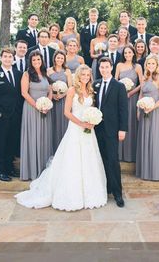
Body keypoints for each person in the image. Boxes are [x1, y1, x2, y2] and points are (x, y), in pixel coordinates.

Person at [15, 65, 107, 211]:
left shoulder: (90, 90)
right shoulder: (72, 90)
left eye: (87, 75)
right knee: (73, 160)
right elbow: (67, 112)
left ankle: (89, 193)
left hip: (89, 131)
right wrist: (82, 123)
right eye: (82, 75)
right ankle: (71, 195)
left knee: (89, 159)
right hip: (76, 129)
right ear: (78, 75)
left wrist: (92, 121)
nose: (85, 77)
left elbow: (91, 110)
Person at [94, 57, 128, 207]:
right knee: (101, 159)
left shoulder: (119, 86)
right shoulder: (95, 84)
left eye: (107, 67)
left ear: (111, 68)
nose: (104, 70)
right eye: (102, 67)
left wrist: (122, 129)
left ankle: (118, 194)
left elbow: (123, 110)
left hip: (113, 130)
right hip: (97, 129)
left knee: (113, 160)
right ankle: (105, 188)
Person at [0, 48, 23, 181]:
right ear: (1, 58)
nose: (8, 59)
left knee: (12, 143)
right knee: (1, 144)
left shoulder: (19, 74)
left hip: (16, 115)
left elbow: (20, 94)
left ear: (13, 59)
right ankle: (0, 171)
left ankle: (9, 168)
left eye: (10, 57)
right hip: (3, 116)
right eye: (5, 56)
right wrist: (0, 113)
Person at [20, 50, 54, 181]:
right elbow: (24, 93)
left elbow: (50, 91)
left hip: (45, 109)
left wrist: (48, 104)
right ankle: (32, 170)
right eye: (34, 60)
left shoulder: (45, 74)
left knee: (44, 137)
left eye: (38, 60)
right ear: (30, 62)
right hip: (31, 109)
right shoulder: (26, 74)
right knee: (33, 137)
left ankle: (43, 170)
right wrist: (38, 106)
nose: (36, 62)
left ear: (42, 60)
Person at [136, 54, 159, 181]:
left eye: (152, 64)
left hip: (156, 113)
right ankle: (145, 171)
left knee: (155, 139)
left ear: (157, 65)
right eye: (148, 64)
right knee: (145, 138)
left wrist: (152, 107)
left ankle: (156, 172)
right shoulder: (144, 78)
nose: (150, 66)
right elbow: (140, 94)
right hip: (144, 112)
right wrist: (138, 110)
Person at [115, 45, 143, 162]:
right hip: (120, 98)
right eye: (125, 53)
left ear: (133, 54)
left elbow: (142, 84)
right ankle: (120, 154)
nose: (127, 55)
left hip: (132, 98)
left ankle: (131, 154)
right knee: (121, 122)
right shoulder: (119, 65)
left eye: (129, 53)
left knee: (131, 123)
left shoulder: (137, 66)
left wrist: (131, 93)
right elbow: (115, 81)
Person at [47, 50, 72, 152]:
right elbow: (47, 85)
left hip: (64, 100)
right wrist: (52, 95)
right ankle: (53, 148)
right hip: (52, 100)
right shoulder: (49, 71)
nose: (60, 60)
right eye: (58, 58)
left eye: (62, 58)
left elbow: (70, 86)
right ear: (54, 58)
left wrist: (63, 95)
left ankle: (64, 149)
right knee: (53, 123)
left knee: (63, 122)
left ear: (64, 60)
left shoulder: (67, 71)